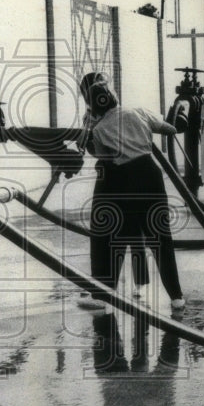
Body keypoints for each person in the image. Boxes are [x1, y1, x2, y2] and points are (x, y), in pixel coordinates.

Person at [78, 72, 186, 311]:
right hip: (152, 174)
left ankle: (103, 294)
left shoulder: (98, 128)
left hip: (125, 178)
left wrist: (90, 137)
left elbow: (105, 157)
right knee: (161, 237)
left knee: (113, 235)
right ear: (113, 96)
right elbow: (170, 129)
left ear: (93, 105)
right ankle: (177, 297)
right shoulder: (139, 111)